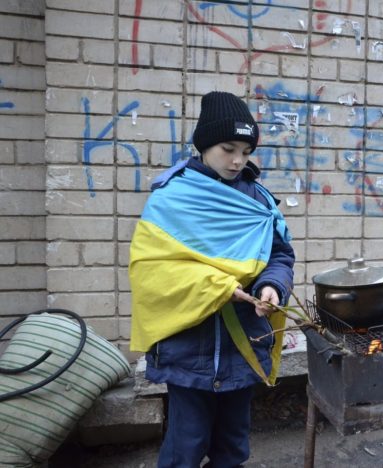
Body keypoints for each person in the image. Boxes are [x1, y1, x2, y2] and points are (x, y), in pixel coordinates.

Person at [129, 91, 295, 467]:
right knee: (185, 445)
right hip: (189, 347)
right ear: (203, 145)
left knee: (233, 446)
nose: (238, 160)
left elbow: (280, 255)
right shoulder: (172, 197)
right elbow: (153, 271)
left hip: (244, 345)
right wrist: (218, 288)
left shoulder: (258, 200)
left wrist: (272, 285)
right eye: (227, 148)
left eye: (246, 150)